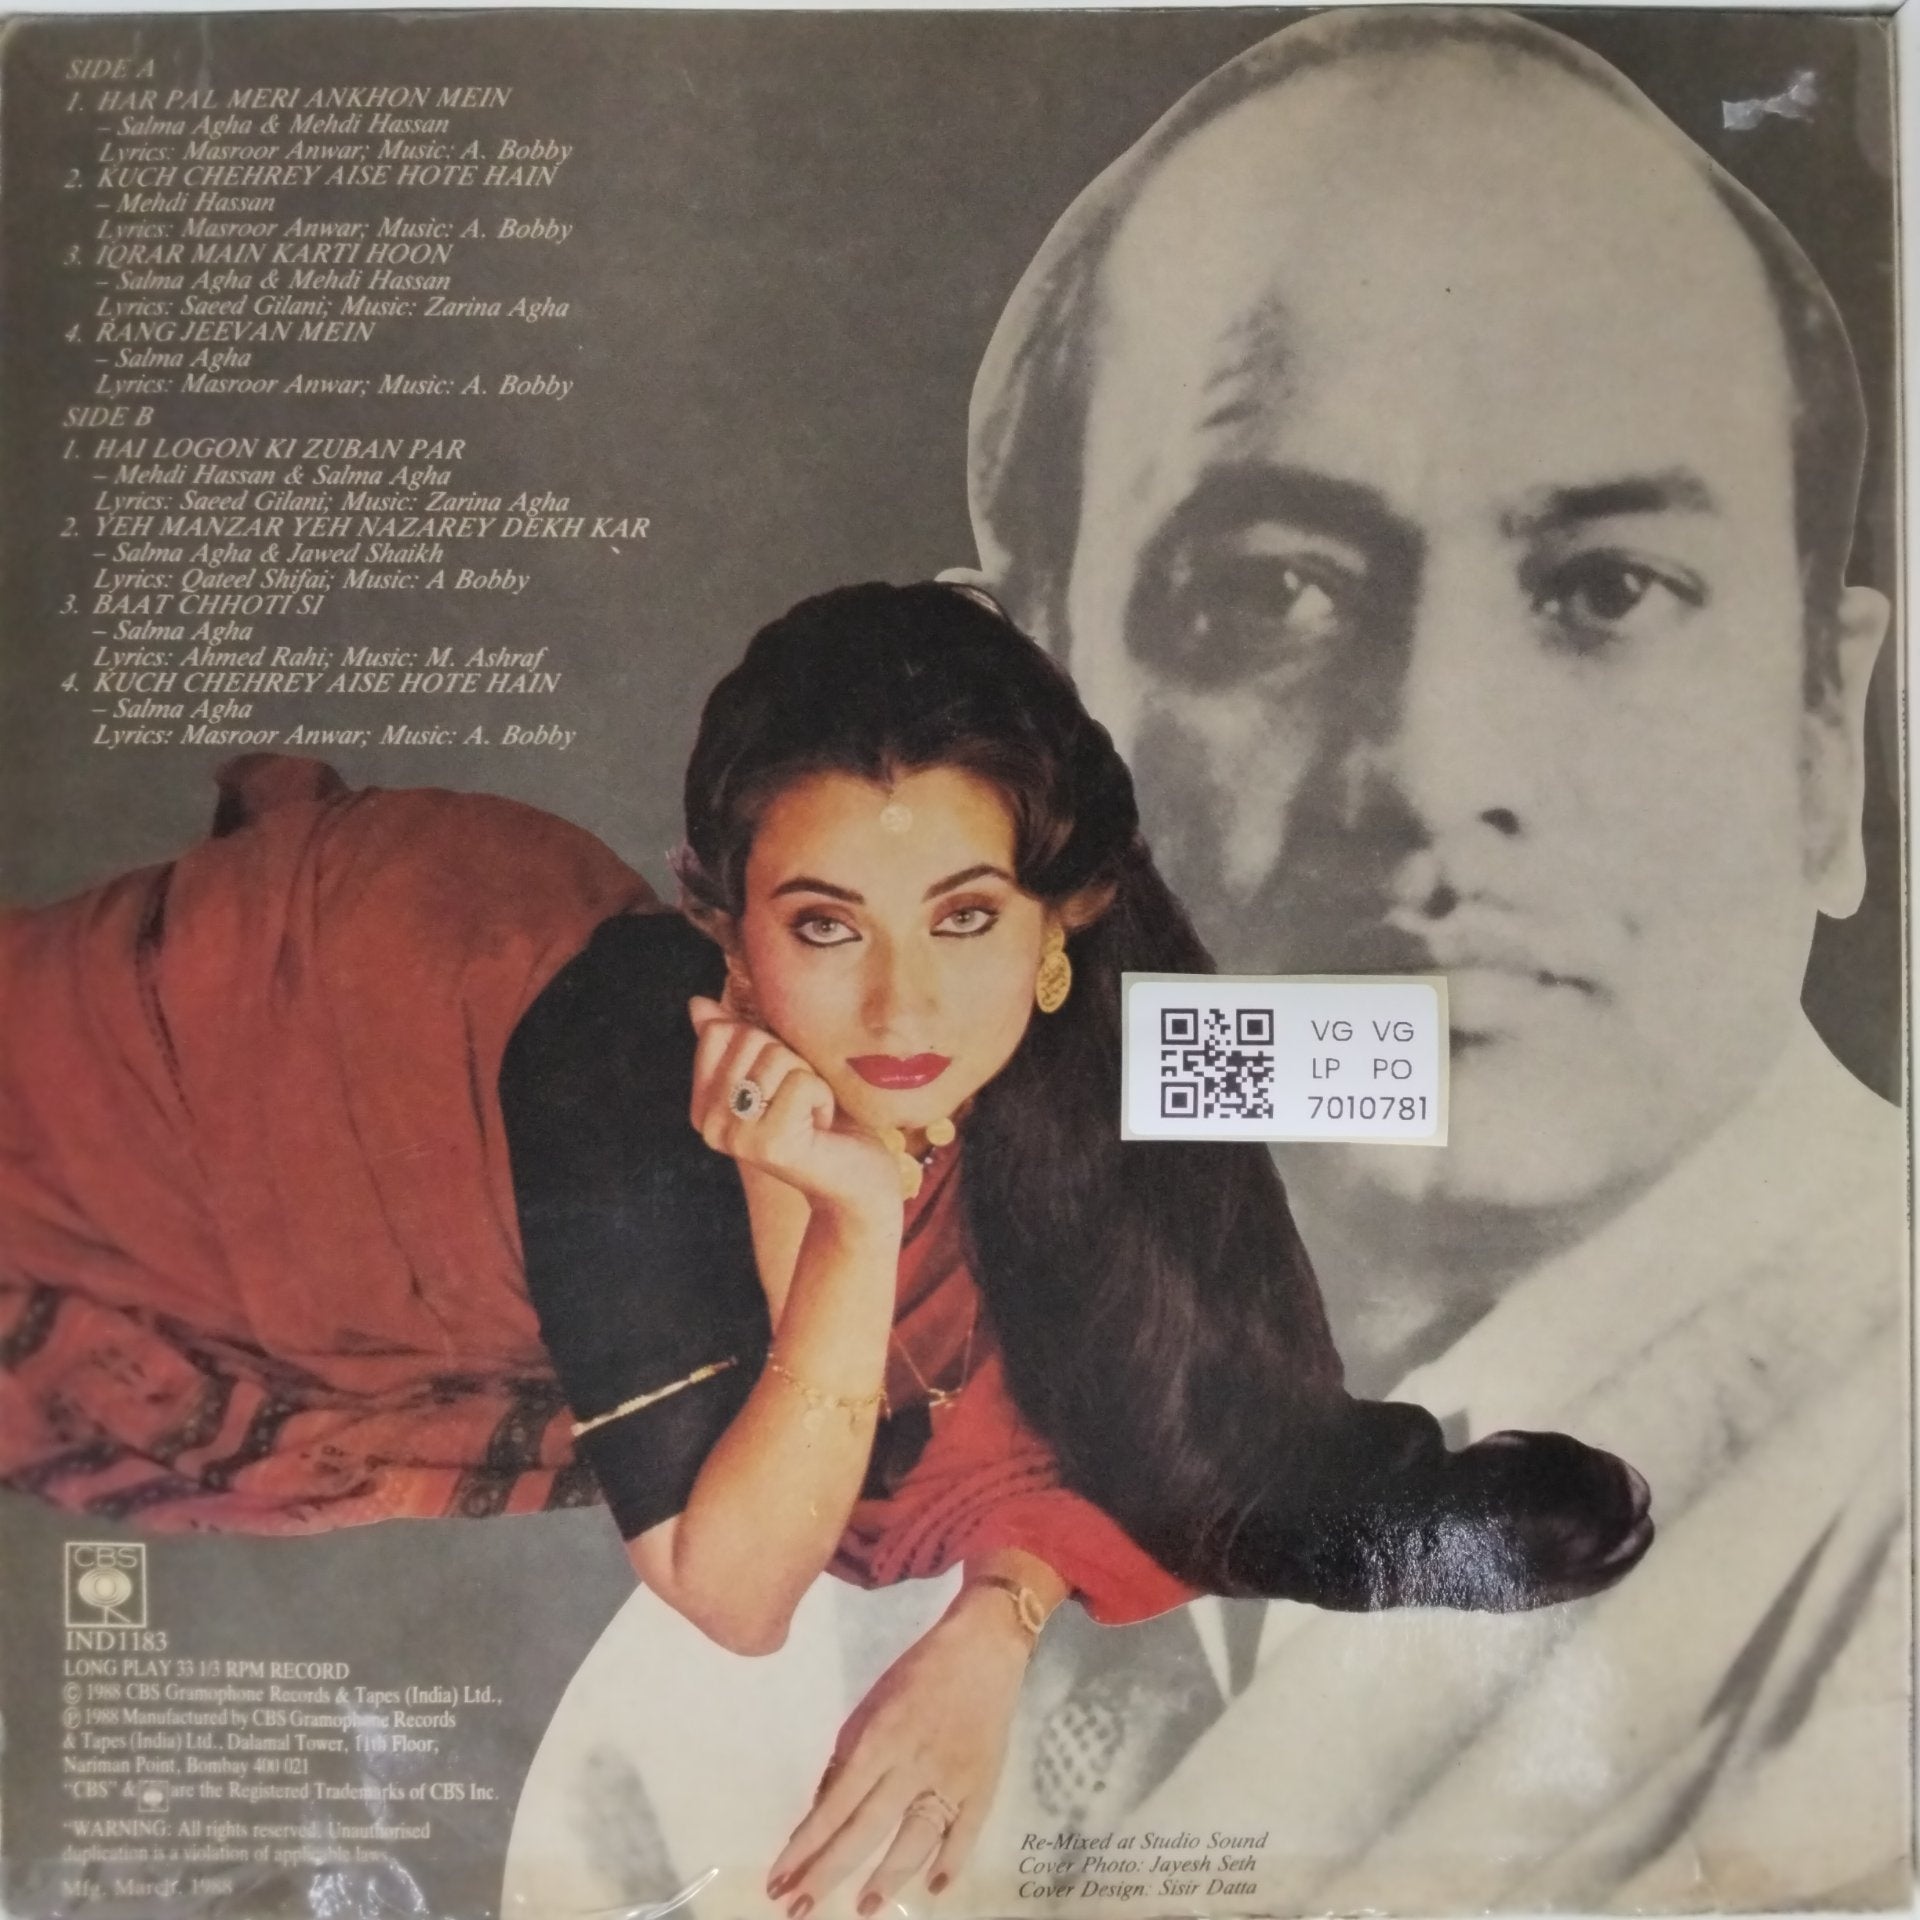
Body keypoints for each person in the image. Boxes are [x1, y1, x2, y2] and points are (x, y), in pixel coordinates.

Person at [0, 582, 1650, 1912]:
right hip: (237, 1093)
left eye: (964, 915)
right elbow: (736, 1587)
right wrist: (856, 1217)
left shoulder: (1104, 1018)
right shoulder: (636, 1084)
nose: (901, 1004)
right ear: (726, 928)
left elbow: (1400, 1070)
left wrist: (994, 1625)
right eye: (824, 924)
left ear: (1061, 927)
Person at [953, 9, 1907, 1908]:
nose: (1440, 768)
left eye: (1611, 589)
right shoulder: (816, 1562)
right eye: (1270, 590)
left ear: (1828, 735)